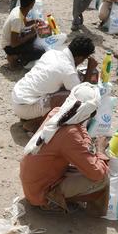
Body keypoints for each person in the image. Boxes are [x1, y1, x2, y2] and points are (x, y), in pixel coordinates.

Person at [20, 83, 109, 215]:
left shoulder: (57, 113)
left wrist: (87, 143)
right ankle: (55, 202)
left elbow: (81, 127)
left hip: (32, 183)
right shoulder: (70, 134)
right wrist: (100, 150)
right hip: (40, 193)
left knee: (85, 165)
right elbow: (97, 173)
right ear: (90, 113)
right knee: (102, 178)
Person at [12, 35, 98, 132]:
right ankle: (35, 123)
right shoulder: (68, 70)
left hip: (17, 99)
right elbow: (82, 93)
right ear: (80, 57)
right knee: (71, 99)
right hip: (25, 107)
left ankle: (31, 116)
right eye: (84, 59)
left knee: (60, 89)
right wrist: (90, 68)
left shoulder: (52, 53)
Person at [2, 0, 45, 67]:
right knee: (40, 52)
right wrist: (30, 34)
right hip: (9, 46)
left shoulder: (19, 9)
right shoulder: (17, 19)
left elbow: (25, 23)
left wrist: (34, 21)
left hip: (14, 40)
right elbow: (14, 44)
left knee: (34, 36)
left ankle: (18, 54)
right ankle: (13, 57)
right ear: (32, 4)